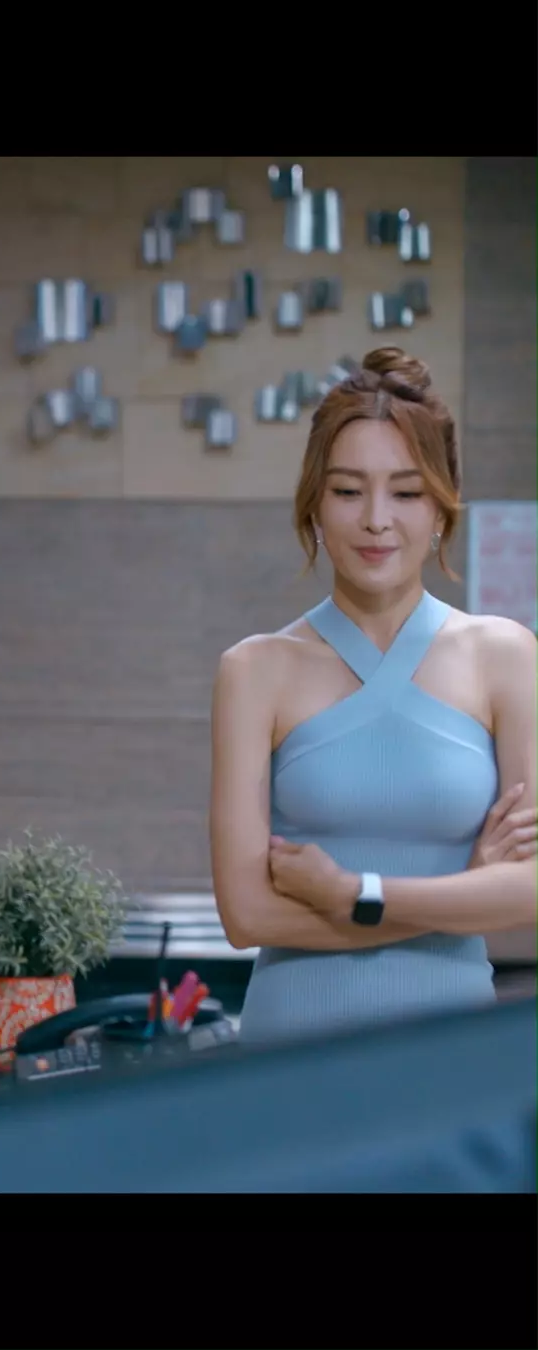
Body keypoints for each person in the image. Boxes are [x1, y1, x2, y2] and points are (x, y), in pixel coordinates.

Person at [210, 347, 537, 1046]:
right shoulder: (254, 670)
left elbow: (531, 892)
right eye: (348, 491)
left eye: (407, 492)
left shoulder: (506, 656)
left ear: (442, 506)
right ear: (315, 505)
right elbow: (245, 916)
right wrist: (464, 890)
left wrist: (354, 895)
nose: (377, 520)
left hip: (451, 1052)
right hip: (289, 1053)